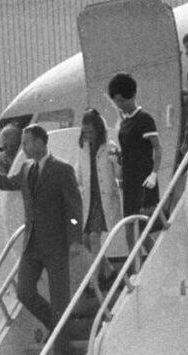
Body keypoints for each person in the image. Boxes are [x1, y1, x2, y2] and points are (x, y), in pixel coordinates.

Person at [0, 124, 85, 355]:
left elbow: (74, 208)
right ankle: (60, 329)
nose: (24, 147)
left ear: (41, 142)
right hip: (33, 243)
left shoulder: (62, 169)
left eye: (27, 142)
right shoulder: (26, 169)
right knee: (25, 292)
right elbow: (7, 183)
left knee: (60, 298)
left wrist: (74, 238)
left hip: (56, 243)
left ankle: (62, 353)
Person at [108, 73, 163, 252]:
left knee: (140, 227)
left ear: (131, 96)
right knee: (130, 230)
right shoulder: (124, 123)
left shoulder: (144, 119)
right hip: (130, 180)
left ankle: (149, 262)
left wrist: (154, 173)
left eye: (122, 100)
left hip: (143, 178)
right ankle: (137, 267)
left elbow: (157, 148)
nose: (119, 105)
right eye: (116, 101)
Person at [73, 107, 120, 293]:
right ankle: (107, 269)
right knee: (85, 239)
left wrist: (118, 162)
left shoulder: (110, 147)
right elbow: (79, 173)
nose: (88, 135)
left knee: (94, 237)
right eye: (85, 132)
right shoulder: (83, 148)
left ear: (99, 130)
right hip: (90, 199)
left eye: (91, 132)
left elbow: (118, 173)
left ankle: (94, 281)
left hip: (103, 199)